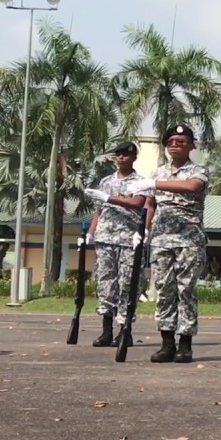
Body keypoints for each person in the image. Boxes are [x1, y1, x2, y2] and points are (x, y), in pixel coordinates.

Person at [126, 124, 210, 364]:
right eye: (171, 141)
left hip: (189, 239)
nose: (175, 145)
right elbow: (150, 204)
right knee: (164, 290)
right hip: (161, 238)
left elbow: (192, 187)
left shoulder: (198, 171)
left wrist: (154, 185)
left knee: (186, 290)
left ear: (192, 145)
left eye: (182, 141)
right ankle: (166, 343)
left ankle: (185, 343)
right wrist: (143, 229)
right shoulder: (157, 172)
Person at [83, 142, 147, 347]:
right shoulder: (106, 181)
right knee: (105, 283)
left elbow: (138, 203)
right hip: (105, 237)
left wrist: (110, 198)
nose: (121, 158)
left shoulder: (140, 182)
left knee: (127, 285)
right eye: (118, 155)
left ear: (134, 157)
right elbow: (99, 210)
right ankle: (106, 331)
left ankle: (125, 330)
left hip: (129, 239)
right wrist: (91, 233)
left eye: (126, 155)